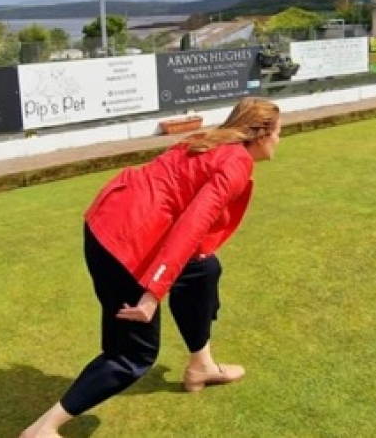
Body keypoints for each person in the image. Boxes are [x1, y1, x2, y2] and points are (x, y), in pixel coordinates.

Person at [20, 97, 283, 438]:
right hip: (126, 244)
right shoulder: (235, 163)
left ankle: (201, 365)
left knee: (204, 270)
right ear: (261, 134)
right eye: (278, 132)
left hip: (109, 221)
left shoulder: (208, 140)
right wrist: (151, 294)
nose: (280, 139)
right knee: (131, 356)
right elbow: (193, 224)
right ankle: (44, 429)